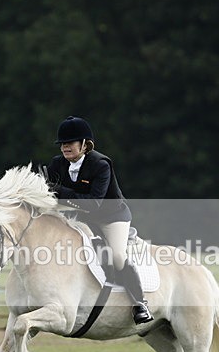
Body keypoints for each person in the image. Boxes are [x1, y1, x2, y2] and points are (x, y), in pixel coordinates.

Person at [45, 116, 153, 324]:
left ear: (85, 144)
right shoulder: (57, 164)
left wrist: (61, 191)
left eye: (70, 143)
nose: (65, 147)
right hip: (83, 217)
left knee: (117, 256)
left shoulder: (101, 164)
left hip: (112, 217)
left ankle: (140, 304)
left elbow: (93, 203)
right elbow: (48, 190)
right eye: (62, 144)